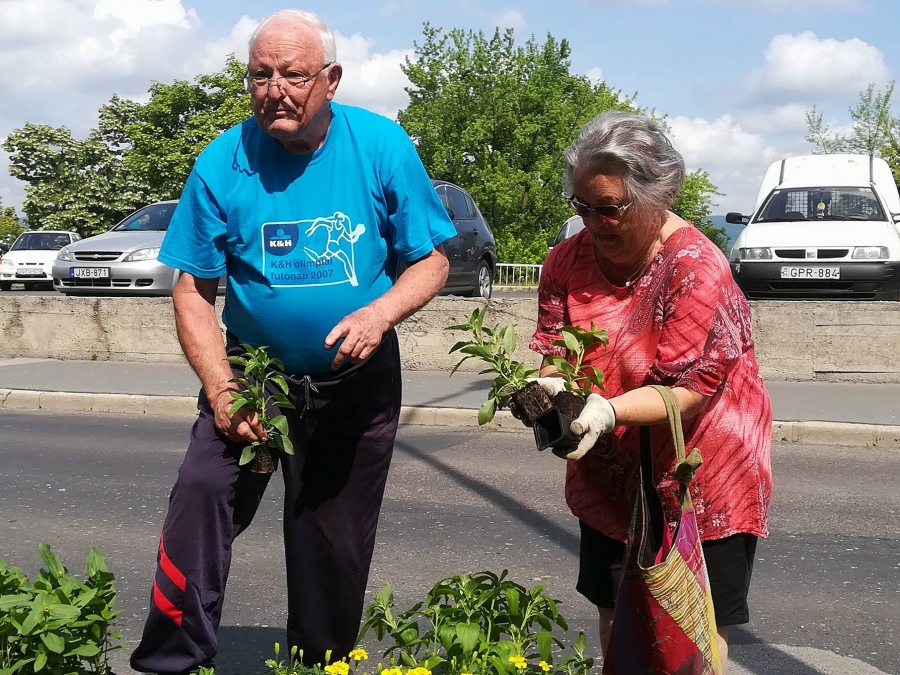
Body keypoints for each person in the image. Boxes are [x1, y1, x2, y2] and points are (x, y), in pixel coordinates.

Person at [130, 9, 455, 675]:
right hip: (250, 374)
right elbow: (194, 289)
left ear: (331, 79)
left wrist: (379, 313)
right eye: (261, 74)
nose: (274, 88)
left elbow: (432, 260)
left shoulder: (382, 146)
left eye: (293, 74)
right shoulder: (223, 160)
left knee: (329, 546)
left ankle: (318, 666)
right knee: (199, 501)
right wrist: (223, 390)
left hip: (352, 387)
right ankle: (170, 661)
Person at [527, 111, 772, 672]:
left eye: (609, 208)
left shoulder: (694, 267)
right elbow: (557, 350)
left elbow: (686, 389)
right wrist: (549, 392)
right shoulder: (566, 260)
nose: (593, 222)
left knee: (690, 634)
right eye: (581, 206)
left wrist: (605, 411)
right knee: (619, 617)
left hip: (700, 469)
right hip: (612, 466)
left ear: (658, 196)